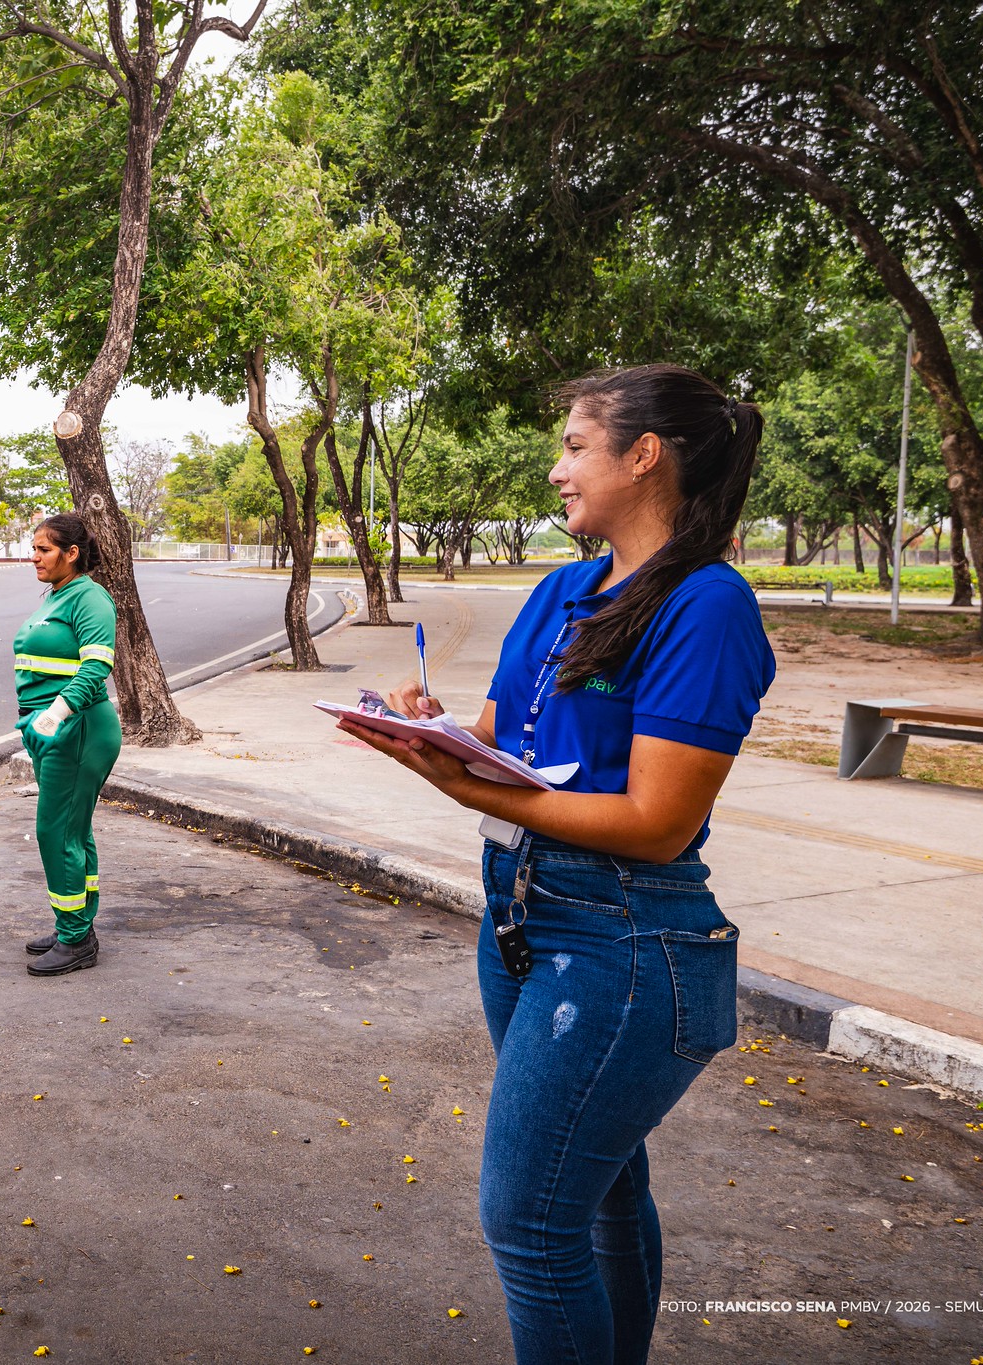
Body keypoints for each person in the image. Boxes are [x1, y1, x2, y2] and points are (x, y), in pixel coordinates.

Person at [340, 364, 774, 1365]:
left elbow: (657, 823)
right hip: (520, 918)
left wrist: (463, 789)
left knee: (529, 1223)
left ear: (642, 456)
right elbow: (504, 735)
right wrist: (434, 733)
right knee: (602, 1188)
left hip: (623, 936)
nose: (555, 470)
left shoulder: (706, 607)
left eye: (574, 446)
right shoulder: (558, 590)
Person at [13, 513, 123, 976]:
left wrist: (56, 715)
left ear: (71, 553)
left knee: (55, 832)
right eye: (33, 548)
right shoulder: (59, 594)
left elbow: (97, 667)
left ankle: (76, 939)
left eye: (43, 549)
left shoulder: (90, 598)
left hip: (76, 729)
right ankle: (75, 924)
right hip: (51, 732)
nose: (32, 557)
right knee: (74, 831)